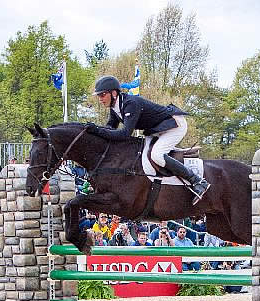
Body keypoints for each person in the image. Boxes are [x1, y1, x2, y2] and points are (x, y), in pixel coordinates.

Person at [87, 75, 210, 205]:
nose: (100, 99)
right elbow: (110, 128)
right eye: (99, 96)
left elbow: (124, 134)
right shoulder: (115, 107)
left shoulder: (130, 104)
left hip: (174, 125)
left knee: (156, 155)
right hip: (158, 129)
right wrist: (94, 131)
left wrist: (97, 130)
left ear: (113, 93)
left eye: (102, 95)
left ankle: (197, 181)